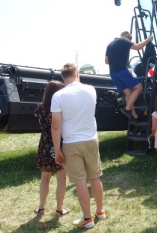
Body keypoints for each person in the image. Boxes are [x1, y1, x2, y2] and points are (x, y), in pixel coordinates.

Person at [51, 63, 105, 229]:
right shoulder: (91, 90)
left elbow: (55, 126)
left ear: (63, 77)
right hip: (91, 139)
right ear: (77, 74)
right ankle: (100, 211)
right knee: (95, 177)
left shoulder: (58, 96)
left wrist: (57, 150)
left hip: (71, 142)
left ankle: (87, 218)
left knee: (80, 181)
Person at [33, 80, 70, 217]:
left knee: (45, 178)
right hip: (59, 143)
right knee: (61, 179)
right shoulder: (62, 107)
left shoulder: (40, 109)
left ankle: (41, 208)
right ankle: (59, 210)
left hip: (44, 144)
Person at [105, 31, 153, 120]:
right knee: (139, 87)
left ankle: (133, 115)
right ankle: (127, 109)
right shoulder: (124, 40)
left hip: (113, 73)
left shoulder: (110, 44)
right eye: (130, 39)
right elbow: (138, 47)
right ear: (127, 36)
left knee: (128, 93)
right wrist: (148, 39)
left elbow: (106, 61)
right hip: (122, 71)